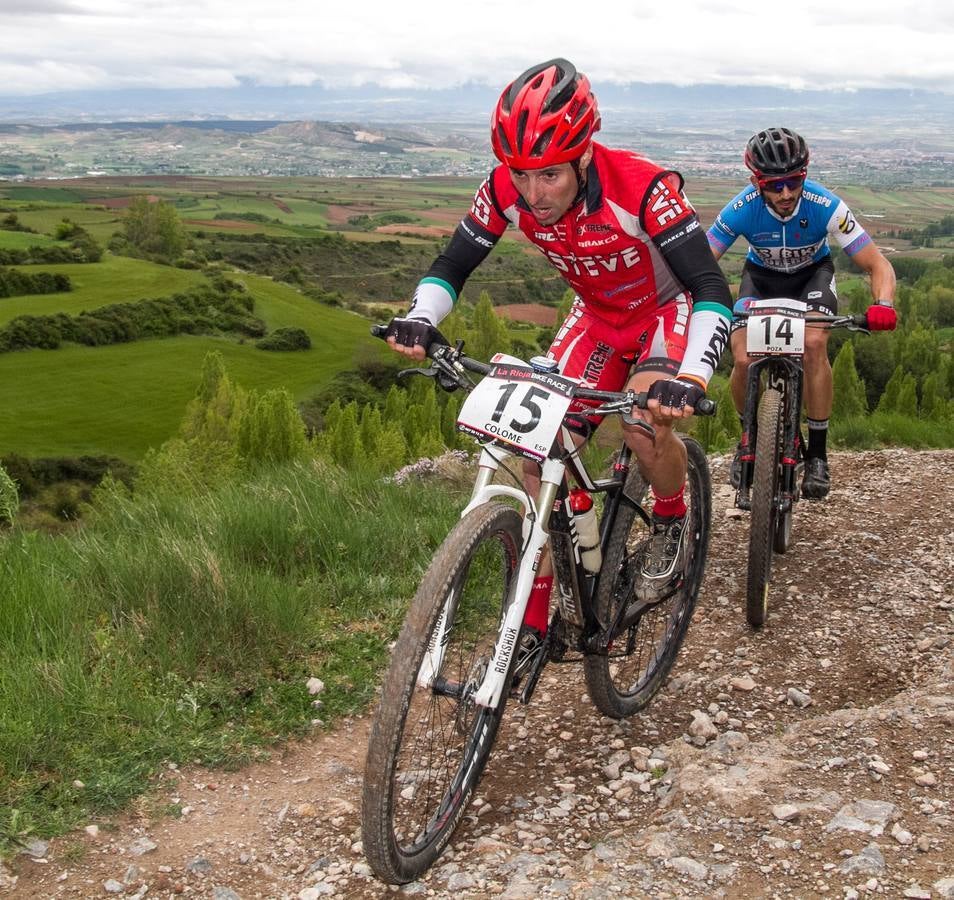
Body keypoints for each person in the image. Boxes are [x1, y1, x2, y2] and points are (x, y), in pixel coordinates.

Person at [385, 58, 732, 668]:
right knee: (534, 451)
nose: (532, 194)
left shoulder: (643, 189)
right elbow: (453, 264)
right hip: (597, 316)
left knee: (642, 425)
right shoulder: (504, 190)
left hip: (663, 311)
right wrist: (421, 317)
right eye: (521, 175)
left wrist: (691, 378)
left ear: (582, 158)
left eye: (548, 176)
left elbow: (710, 288)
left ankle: (673, 519)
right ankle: (535, 623)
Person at [707, 127, 897, 498]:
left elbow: (877, 263)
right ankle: (749, 438)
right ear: (755, 181)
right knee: (743, 358)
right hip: (760, 280)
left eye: (794, 182)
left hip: (812, 277)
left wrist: (883, 305)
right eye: (774, 185)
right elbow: (699, 262)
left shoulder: (824, 205)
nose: (786, 193)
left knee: (813, 344)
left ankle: (819, 456)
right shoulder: (740, 210)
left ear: (804, 176)